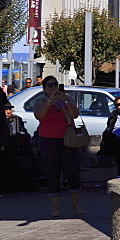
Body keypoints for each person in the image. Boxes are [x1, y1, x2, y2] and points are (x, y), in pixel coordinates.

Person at [33, 75, 83, 217]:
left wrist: (65, 100)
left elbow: (75, 115)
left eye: (55, 84)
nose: (53, 87)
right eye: (49, 85)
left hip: (67, 140)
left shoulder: (67, 99)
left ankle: (76, 204)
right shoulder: (41, 101)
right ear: (44, 88)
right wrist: (50, 100)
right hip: (48, 140)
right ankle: (55, 208)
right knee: (52, 173)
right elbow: (39, 116)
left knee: (72, 172)